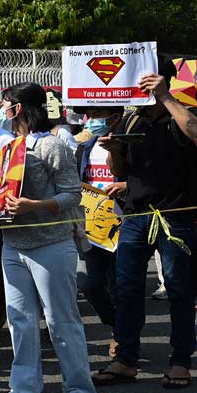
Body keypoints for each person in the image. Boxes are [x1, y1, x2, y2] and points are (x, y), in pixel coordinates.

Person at [92, 61, 197, 390]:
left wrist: (164, 97)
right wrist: (114, 151)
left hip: (173, 217)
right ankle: (126, 359)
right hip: (135, 216)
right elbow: (120, 171)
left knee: (178, 289)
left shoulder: (184, 113)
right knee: (128, 290)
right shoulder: (133, 117)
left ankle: (180, 361)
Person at [0, 84, 97, 393]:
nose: (2, 110)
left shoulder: (52, 145)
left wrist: (35, 205)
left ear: (19, 108)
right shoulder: (5, 146)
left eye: (6, 104)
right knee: (19, 320)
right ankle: (25, 392)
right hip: (13, 244)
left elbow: (71, 194)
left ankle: (80, 388)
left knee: (61, 320)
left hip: (52, 243)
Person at [76, 106, 123, 350]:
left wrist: (125, 185)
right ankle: (116, 323)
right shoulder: (85, 147)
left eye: (97, 115)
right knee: (91, 285)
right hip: (93, 227)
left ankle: (121, 336)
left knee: (119, 284)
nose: (91, 120)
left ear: (114, 117)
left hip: (124, 223)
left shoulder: (127, 144)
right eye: (89, 115)